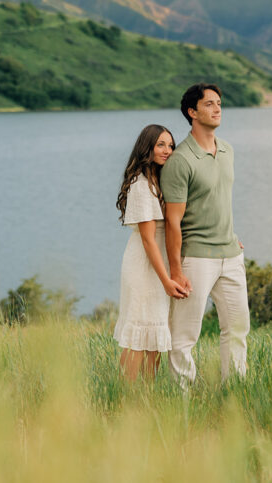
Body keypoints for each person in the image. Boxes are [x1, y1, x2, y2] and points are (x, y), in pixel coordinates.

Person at [161, 83, 249, 385]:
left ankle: (234, 393)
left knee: (237, 330)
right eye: (209, 104)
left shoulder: (228, 151)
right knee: (184, 337)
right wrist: (175, 269)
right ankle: (181, 399)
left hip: (231, 256)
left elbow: (220, 199)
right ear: (192, 112)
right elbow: (173, 221)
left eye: (219, 103)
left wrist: (230, 234)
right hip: (196, 259)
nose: (217, 108)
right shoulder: (180, 161)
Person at [113, 124, 189, 381]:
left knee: (155, 333)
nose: (167, 150)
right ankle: (127, 397)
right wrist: (166, 279)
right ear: (147, 147)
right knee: (140, 331)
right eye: (160, 145)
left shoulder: (159, 180)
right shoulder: (141, 184)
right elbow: (148, 240)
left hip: (159, 263)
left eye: (170, 145)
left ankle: (146, 396)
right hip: (145, 266)